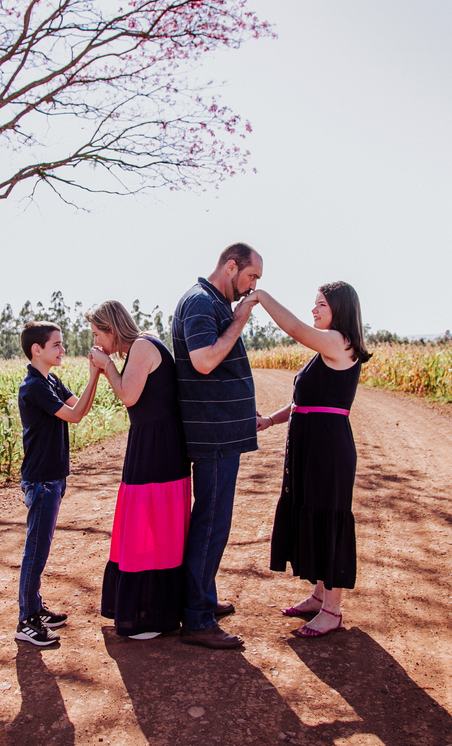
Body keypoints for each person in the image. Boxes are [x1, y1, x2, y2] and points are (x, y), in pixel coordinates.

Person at [252, 282, 372, 638]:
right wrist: (270, 420)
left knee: (327, 517)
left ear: (339, 309)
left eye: (321, 305)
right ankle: (319, 596)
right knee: (312, 511)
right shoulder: (326, 349)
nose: (314, 310)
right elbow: (303, 402)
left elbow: (293, 328)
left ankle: (332, 611)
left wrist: (261, 296)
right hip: (311, 443)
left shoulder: (339, 341)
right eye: (315, 304)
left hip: (327, 446)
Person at [171, 243, 263, 649]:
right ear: (231, 266)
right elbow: (204, 360)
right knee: (211, 524)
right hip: (212, 433)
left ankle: (203, 599)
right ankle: (196, 618)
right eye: (251, 276)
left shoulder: (212, 302)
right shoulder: (200, 302)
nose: (253, 286)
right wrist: (239, 321)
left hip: (221, 429)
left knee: (214, 522)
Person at [87, 301, 191, 640]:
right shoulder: (140, 347)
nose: (96, 342)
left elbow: (128, 396)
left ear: (112, 329)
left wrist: (106, 366)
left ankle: (152, 614)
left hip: (158, 446)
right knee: (147, 522)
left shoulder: (143, 346)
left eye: (98, 334)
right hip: (150, 441)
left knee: (153, 523)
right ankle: (151, 608)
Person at [15, 321, 103, 646]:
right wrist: (95, 374)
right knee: (36, 551)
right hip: (41, 480)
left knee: (41, 547)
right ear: (37, 349)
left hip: (53, 478)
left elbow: (79, 407)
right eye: (56, 345)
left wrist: (96, 376)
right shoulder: (34, 387)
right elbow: (75, 415)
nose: (62, 349)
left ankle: (35, 608)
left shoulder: (50, 380)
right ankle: (26, 620)